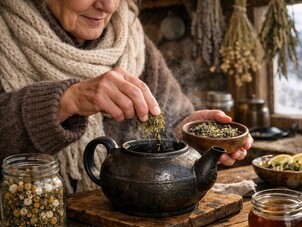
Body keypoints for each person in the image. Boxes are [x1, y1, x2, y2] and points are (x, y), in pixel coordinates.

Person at [0, 0, 253, 193]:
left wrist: (185, 133)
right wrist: (68, 101)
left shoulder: (130, 38)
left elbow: (171, 116)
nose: (108, 6)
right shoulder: (5, 36)